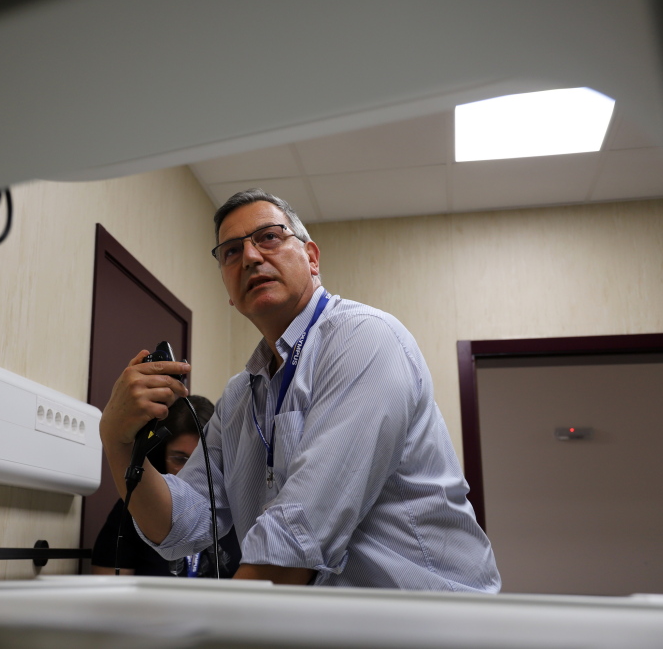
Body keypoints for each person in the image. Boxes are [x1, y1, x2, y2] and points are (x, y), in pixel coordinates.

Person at [99, 188, 501, 591]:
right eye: (231, 252)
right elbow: (178, 527)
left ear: (311, 258)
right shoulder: (239, 399)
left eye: (269, 237)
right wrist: (116, 441)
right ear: (228, 290)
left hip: (433, 616)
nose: (250, 257)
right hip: (327, 619)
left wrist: (214, 621)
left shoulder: (364, 339)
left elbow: (296, 538)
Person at [91, 395, 241, 578]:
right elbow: (109, 587)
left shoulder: (240, 510)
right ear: (161, 455)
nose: (190, 470)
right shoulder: (135, 506)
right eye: (180, 459)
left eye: (202, 461)